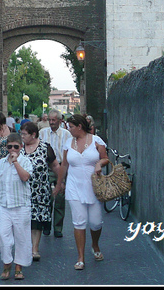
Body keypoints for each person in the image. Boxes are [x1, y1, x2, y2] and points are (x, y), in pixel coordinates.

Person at [53, 114, 109, 271]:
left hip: (94, 187)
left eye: (71, 127)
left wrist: (99, 163)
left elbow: (106, 158)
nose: (69, 129)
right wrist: (59, 184)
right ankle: (80, 257)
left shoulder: (96, 141)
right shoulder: (68, 143)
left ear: (79, 126)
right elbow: (64, 165)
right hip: (74, 186)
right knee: (79, 222)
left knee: (96, 222)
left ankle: (95, 245)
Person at [0, 133, 33, 281]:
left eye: (16, 147)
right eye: (9, 147)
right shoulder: (2, 163)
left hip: (21, 205)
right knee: (3, 237)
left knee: (22, 238)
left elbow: (25, 177)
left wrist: (16, 162)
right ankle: (7, 262)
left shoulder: (26, 161)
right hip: (4, 205)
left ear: (21, 147)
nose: (12, 149)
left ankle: (18, 267)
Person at [20, 121, 61, 261]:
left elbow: (55, 166)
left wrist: (60, 183)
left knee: (36, 221)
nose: (22, 136)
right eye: (21, 134)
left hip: (40, 191)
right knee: (23, 220)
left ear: (33, 134)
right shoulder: (19, 148)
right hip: (22, 191)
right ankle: (24, 247)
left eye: (24, 134)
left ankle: (34, 249)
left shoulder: (45, 147)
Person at [39, 108, 72, 238]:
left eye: (54, 120)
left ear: (59, 120)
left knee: (59, 198)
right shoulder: (42, 133)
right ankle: (46, 224)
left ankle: (58, 228)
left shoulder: (66, 135)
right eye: (50, 120)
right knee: (46, 197)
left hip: (60, 167)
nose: (51, 122)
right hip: (46, 167)